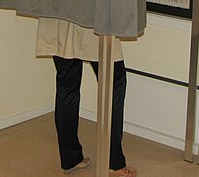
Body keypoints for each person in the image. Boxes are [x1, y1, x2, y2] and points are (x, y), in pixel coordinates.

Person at [36, 17, 137, 176]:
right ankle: (115, 161)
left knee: (67, 85)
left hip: (58, 15)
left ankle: (71, 159)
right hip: (92, 17)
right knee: (114, 83)